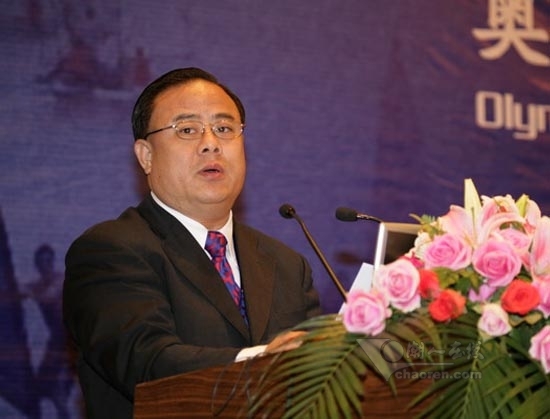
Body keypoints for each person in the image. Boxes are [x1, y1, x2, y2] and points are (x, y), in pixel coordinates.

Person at [63, 67, 321, 418]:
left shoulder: (287, 265)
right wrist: (265, 361)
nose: (211, 143)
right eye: (187, 130)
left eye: (224, 129)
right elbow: (147, 362)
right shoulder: (110, 250)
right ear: (146, 156)